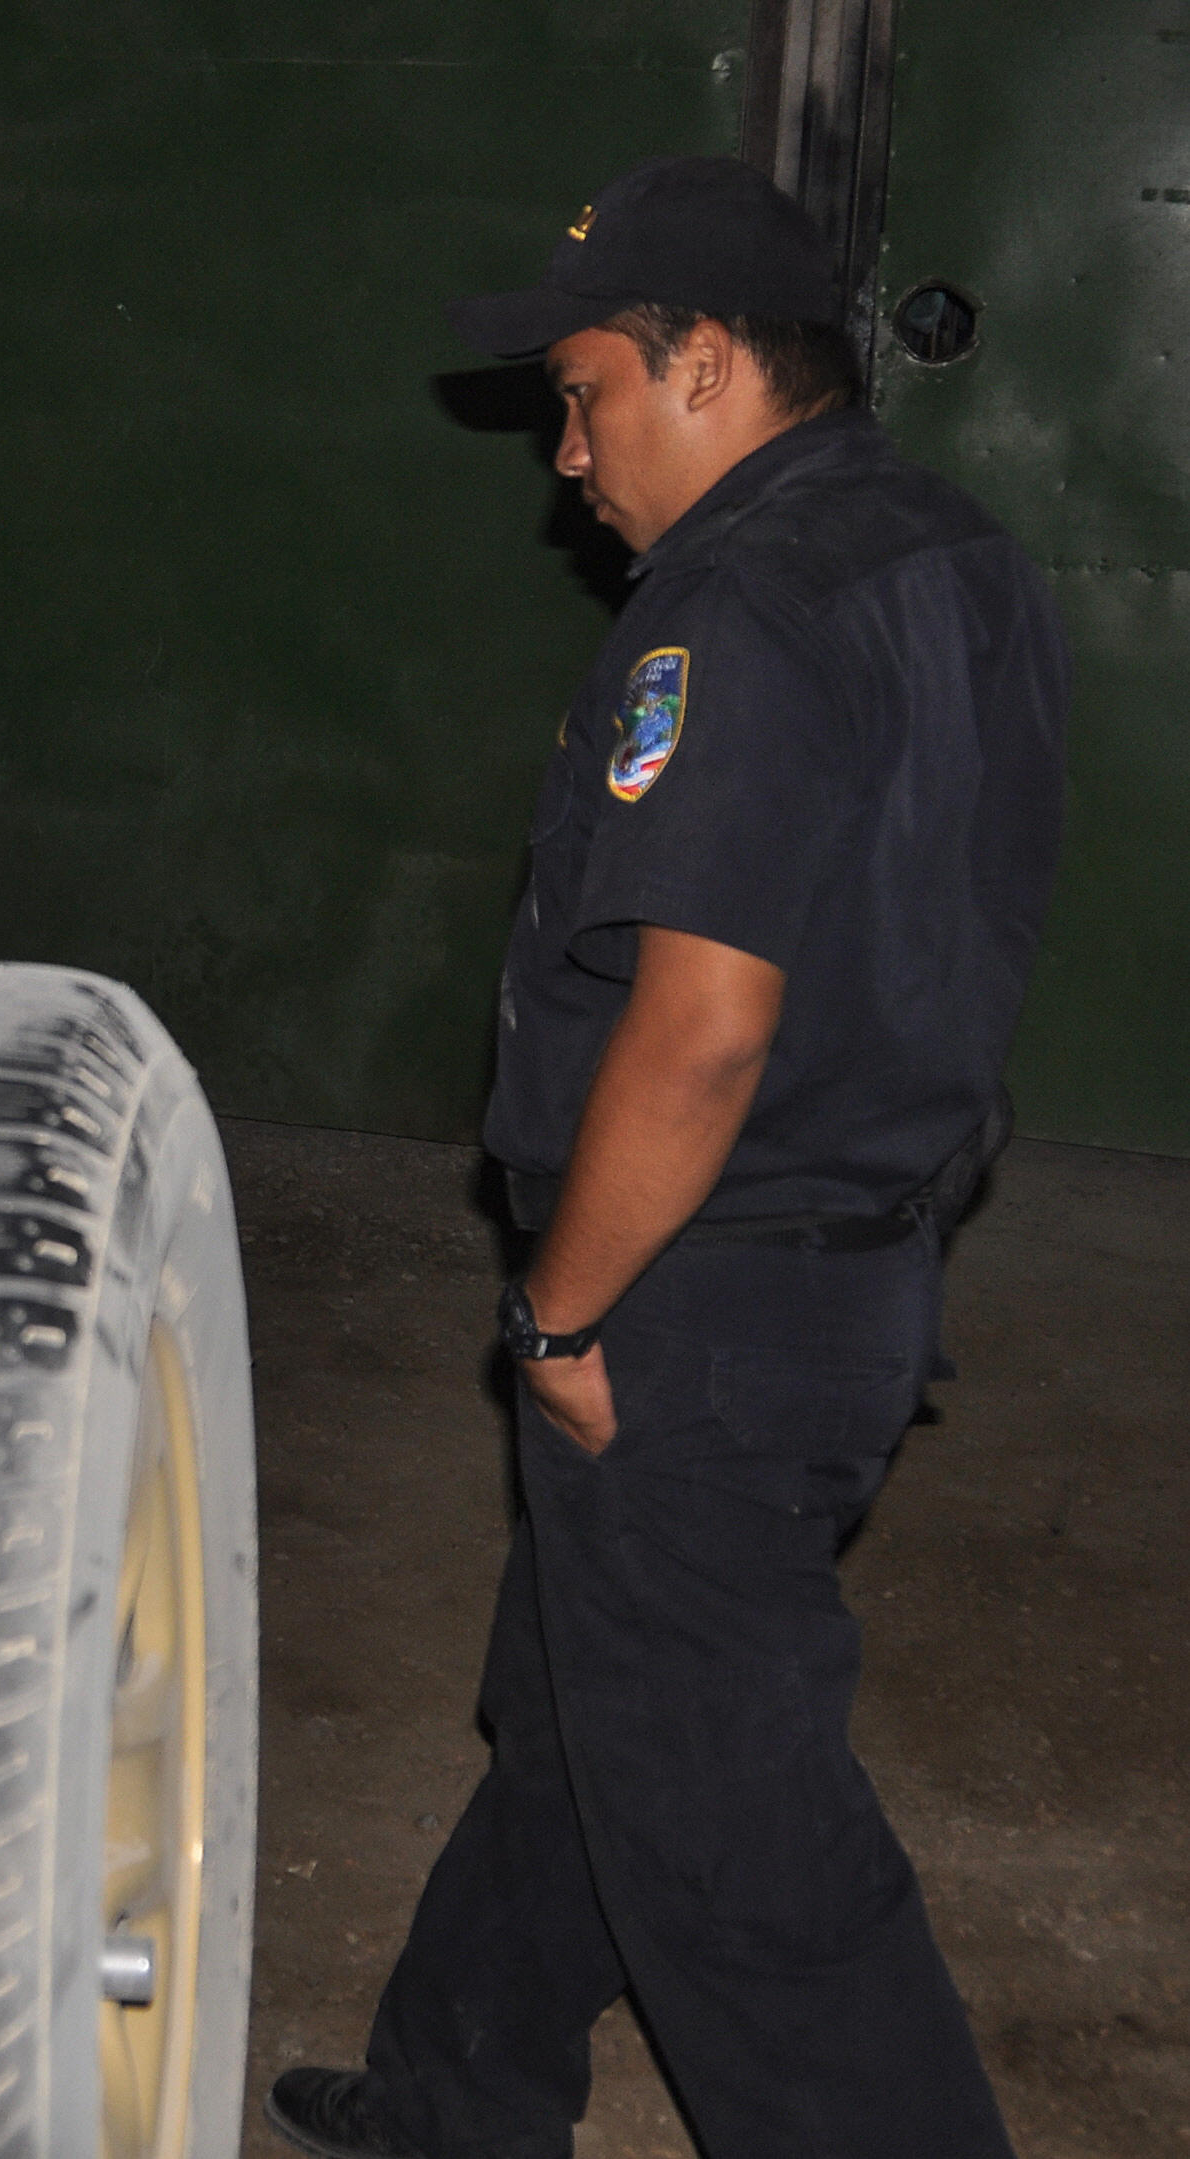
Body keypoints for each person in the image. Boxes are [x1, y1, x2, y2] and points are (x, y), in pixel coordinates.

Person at [265, 157, 1067, 2159]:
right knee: (573, 1729)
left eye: (589, 390)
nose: (567, 452)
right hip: (848, 1269)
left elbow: (701, 1032)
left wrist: (557, 1318)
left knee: (744, 1858)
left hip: (699, 1300)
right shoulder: (948, 556)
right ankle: (459, 2098)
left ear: (708, 364)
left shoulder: (744, 611)